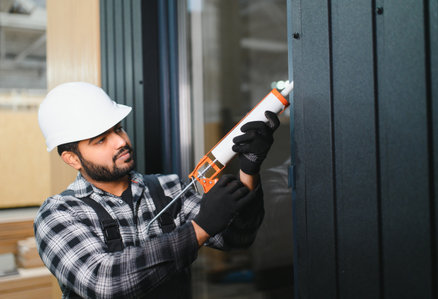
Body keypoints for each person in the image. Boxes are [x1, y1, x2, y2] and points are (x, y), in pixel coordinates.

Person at [34, 82, 280, 298]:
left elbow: (237, 237)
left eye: (118, 129)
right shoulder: (58, 214)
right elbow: (104, 283)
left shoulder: (168, 189)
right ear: (72, 159)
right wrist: (199, 229)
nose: (121, 141)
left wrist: (249, 169)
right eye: (100, 140)